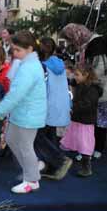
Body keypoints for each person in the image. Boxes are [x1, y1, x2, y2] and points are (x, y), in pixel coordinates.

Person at [0, 31, 47, 194]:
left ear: (29, 49)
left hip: (28, 115)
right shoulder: (25, 63)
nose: (14, 54)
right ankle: (32, 168)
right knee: (10, 139)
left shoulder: (29, 68)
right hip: (22, 113)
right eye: (13, 50)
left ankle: (32, 180)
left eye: (17, 50)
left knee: (25, 146)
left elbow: (16, 94)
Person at [60, 23, 107, 159]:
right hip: (89, 85)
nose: (71, 42)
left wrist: (81, 79)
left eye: (70, 38)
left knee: (99, 121)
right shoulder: (87, 43)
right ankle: (87, 147)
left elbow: (99, 70)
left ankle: (97, 148)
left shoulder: (96, 44)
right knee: (90, 121)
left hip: (101, 88)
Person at [35, 37, 73, 180]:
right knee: (50, 137)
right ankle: (53, 167)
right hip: (58, 106)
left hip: (46, 106)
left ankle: (59, 160)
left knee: (39, 136)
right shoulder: (59, 63)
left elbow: (42, 89)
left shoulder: (42, 66)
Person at [60, 65, 102, 177]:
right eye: (75, 74)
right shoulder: (81, 84)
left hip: (86, 121)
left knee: (85, 144)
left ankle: (86, 167)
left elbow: (87, 104)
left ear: (86, 75)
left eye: (77, 74)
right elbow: (71, 81)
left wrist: (72, 107)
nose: (75, 77)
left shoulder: (92, 89)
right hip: (78, 118)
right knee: (76, 139)